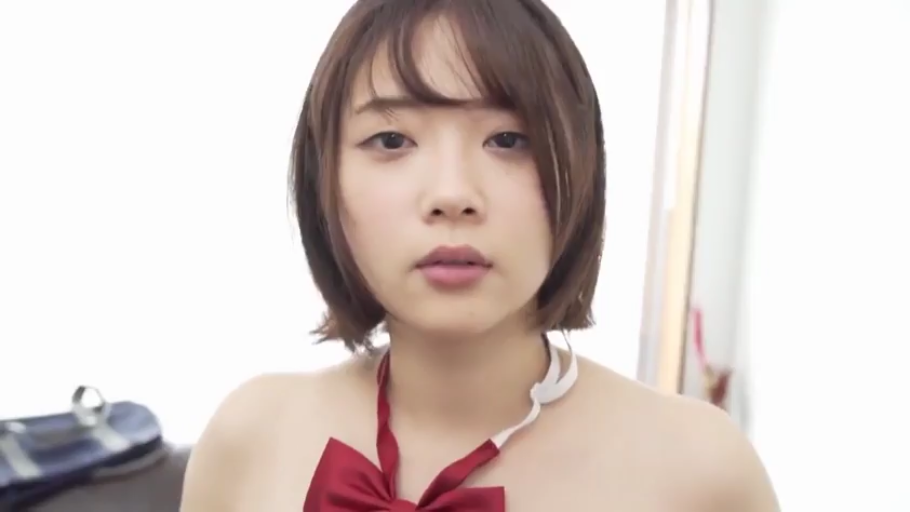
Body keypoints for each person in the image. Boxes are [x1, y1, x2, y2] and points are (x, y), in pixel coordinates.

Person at [180, 0, 779, 510]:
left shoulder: (700, 471)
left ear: (580, 171)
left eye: (508, 140)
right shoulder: (249, 440)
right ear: (324, 182)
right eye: (391, 140)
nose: (452, 193)